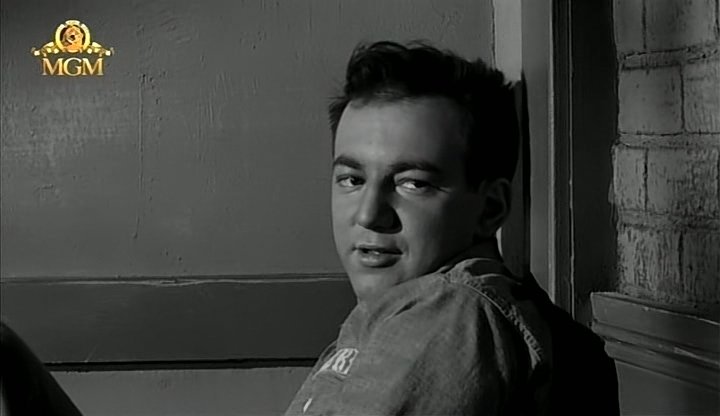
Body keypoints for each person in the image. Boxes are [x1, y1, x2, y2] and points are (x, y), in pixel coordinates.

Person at [284, 40, 619, 415]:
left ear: (491, 208)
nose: (368, 214)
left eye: (413, 183)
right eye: (352, 179)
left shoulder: (455, 308)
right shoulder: (403, 309)